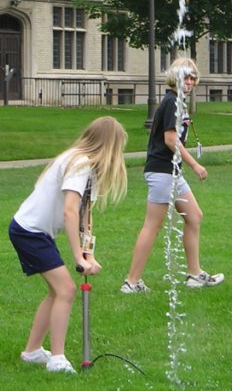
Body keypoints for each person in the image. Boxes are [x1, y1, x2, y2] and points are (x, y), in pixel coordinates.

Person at [9, 116, 127, 373]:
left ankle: (32, 351)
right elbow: (70, 212)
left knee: (56, 291)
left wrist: (88, 254)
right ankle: (58, 359)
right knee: (66, 289)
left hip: (36, 232)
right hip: (28, 231)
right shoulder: (79, 164)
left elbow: (85, 215)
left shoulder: (89, 168)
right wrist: (77, 258)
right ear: (110, 146)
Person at [121, 57, 224, 294]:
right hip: (162, 172)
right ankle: (131, 282)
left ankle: (194, 274)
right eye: (185, 77)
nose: (189, 82)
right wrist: (195, 165)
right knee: (152, 226)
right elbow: (170, 140)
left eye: (192, 77)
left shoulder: (178, 102)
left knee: (194, 217)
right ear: (175, 78)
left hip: (171, 173)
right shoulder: (171, 102)